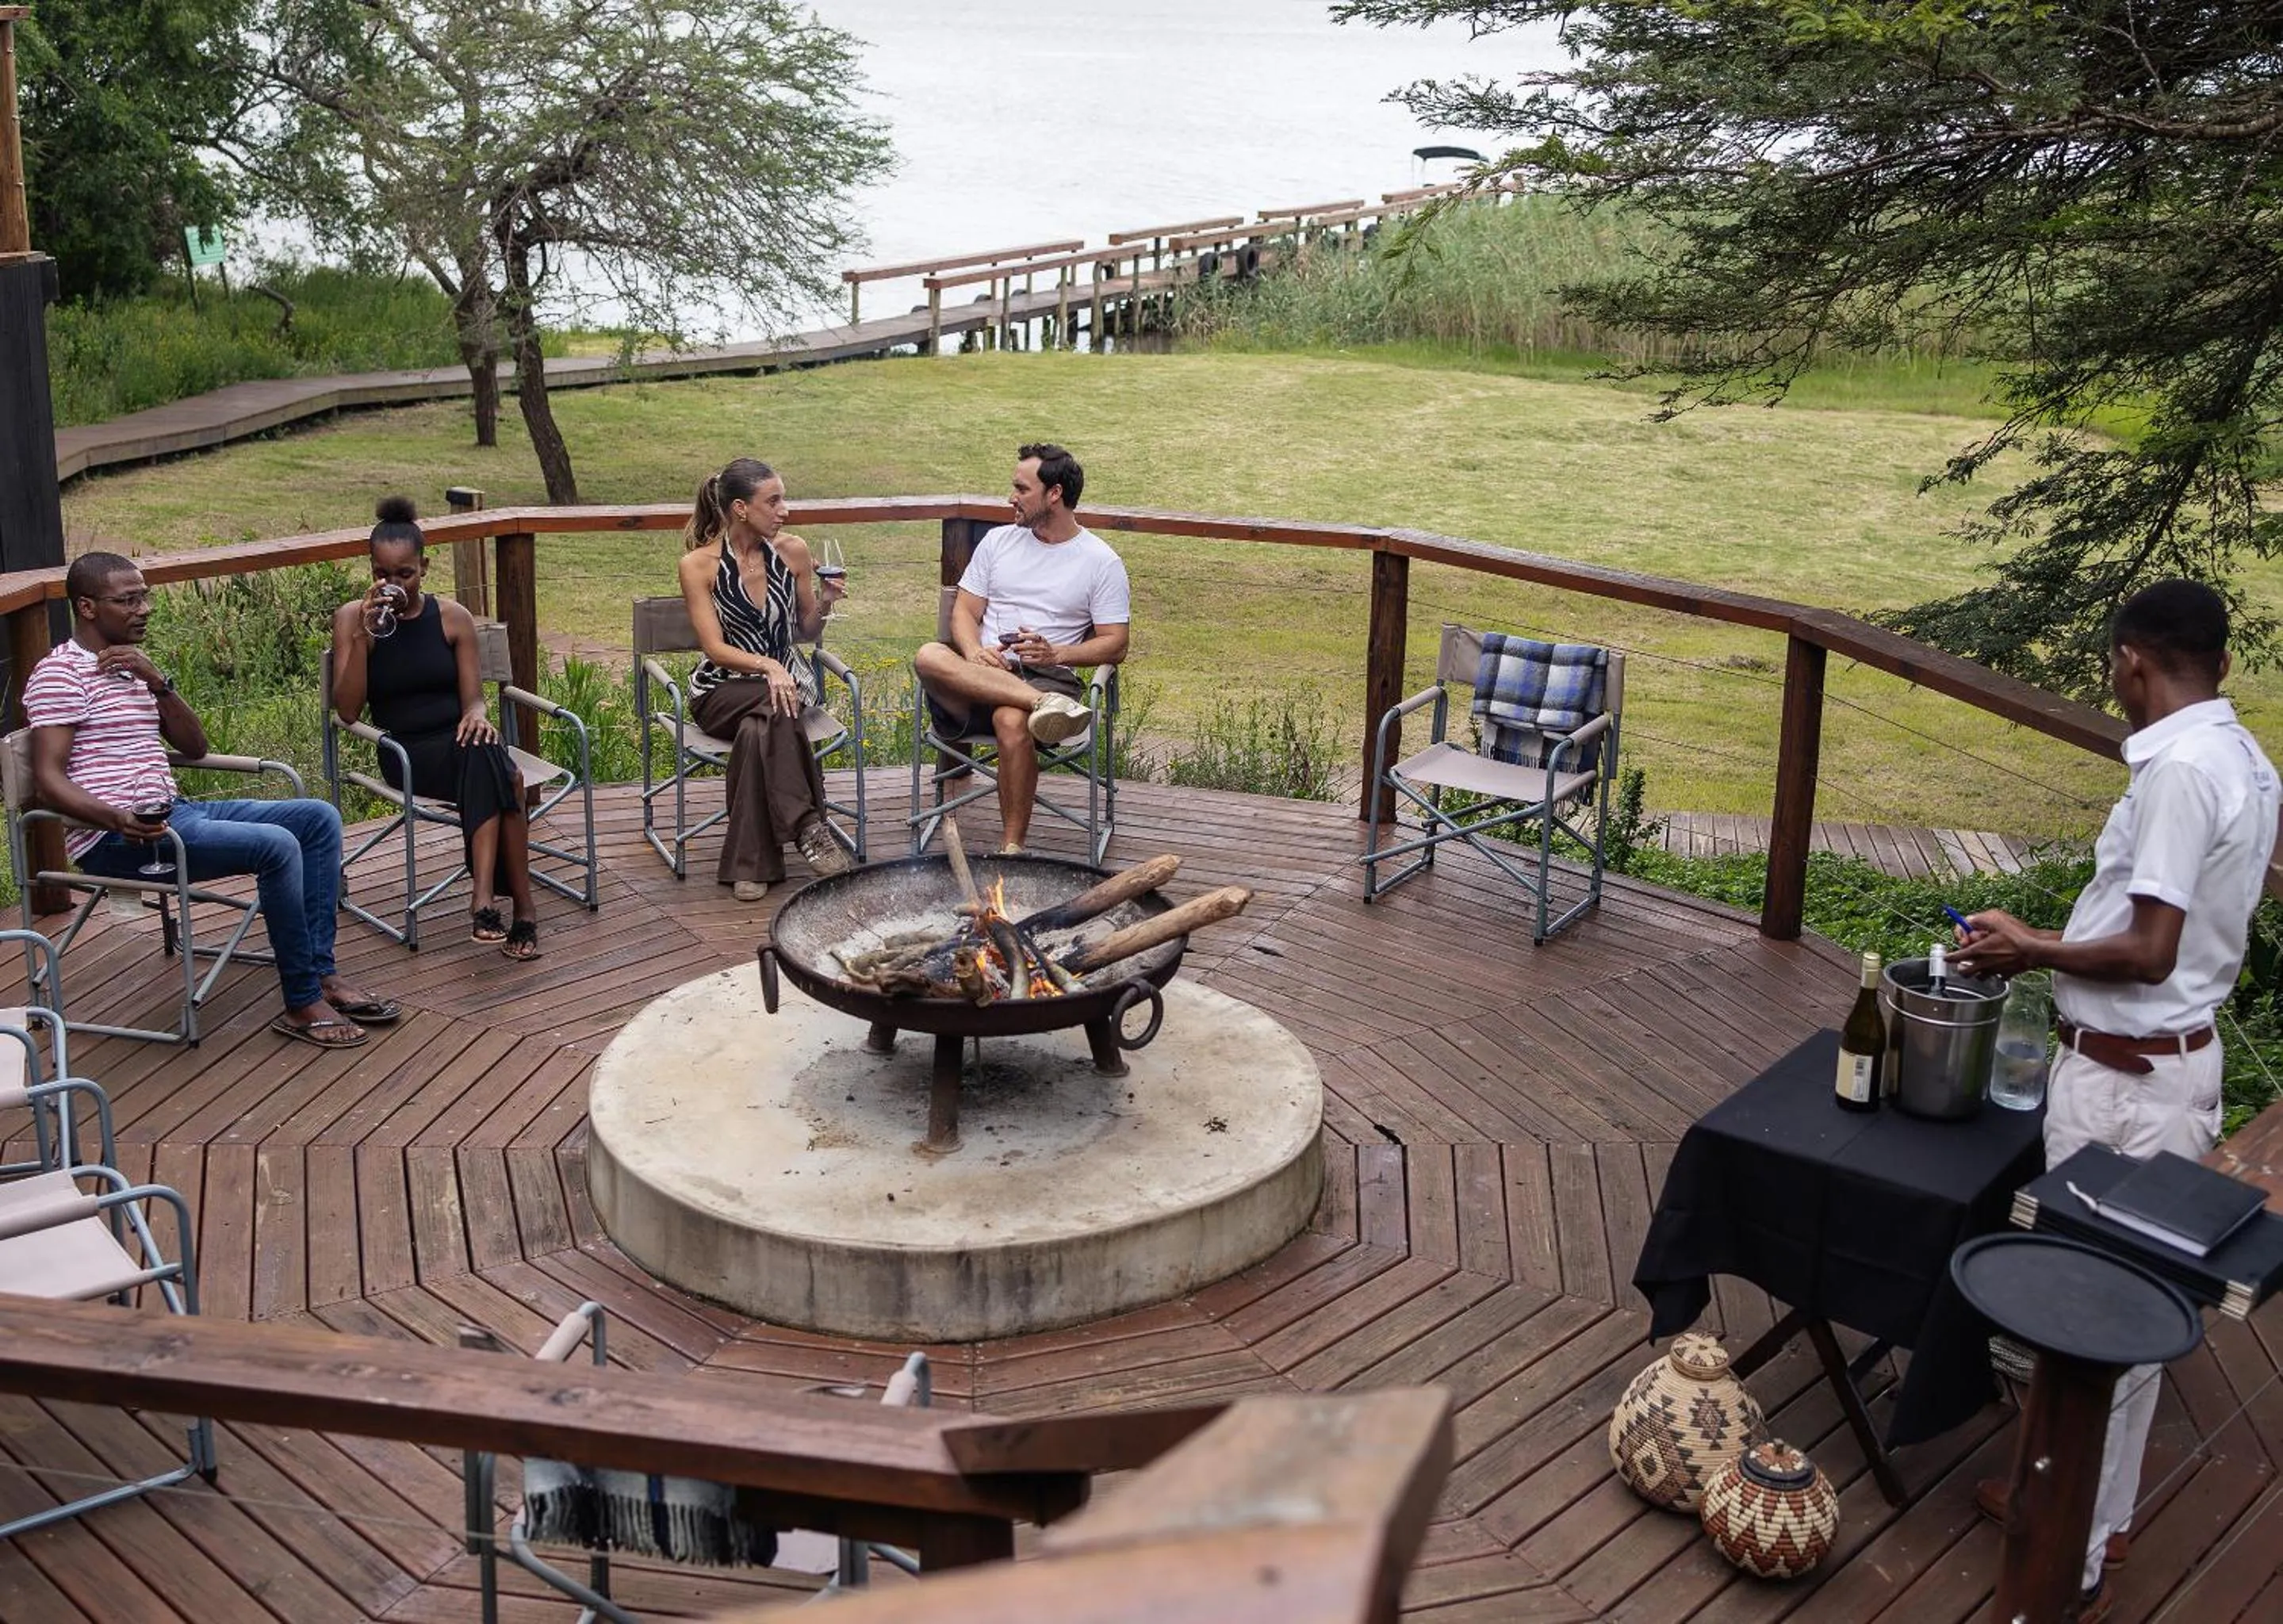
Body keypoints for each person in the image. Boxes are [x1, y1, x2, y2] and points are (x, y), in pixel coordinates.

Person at [1955, 579, 2279, 1624]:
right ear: (2217, 665)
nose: (2111, 682)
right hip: (2159, 1068)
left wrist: (2025, 947)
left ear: (2131, 662)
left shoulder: (2181, 770)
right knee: (2114, 1294)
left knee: (2092, 1301)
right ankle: (2087, 1497)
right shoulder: (2239, 756)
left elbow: (2150, 948)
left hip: (2127, 1082)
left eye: (2111, 668)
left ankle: (2070, 1552)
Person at [25, 552, 403, 1048]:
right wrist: (118, 819)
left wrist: (157, 681)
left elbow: (195, 747)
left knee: (318, 818)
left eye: (146, 597)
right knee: (276, 846)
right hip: (119, 838)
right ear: (88, 607)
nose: (144, 609)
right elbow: (49, 780)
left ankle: (322, 975)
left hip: (174, 816)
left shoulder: (132, 668)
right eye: (128, 600)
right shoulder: (61, 675)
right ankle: (301, 1000)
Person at [329, 497, 540, 960]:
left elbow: (474, 698)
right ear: (371, 569)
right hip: (404, 752)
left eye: (404, 574)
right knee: (507, 777)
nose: (392, 584)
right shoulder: (351, 619)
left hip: (460, 738)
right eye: (381, 574)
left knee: (487, 755)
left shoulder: (452, 617)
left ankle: (487, 900)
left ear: (424, 567)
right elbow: (346, 711)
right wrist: (365, 639)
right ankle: (515, 906)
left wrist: (478, 714)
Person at [913, 442, 1129, 853]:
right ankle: (1044, 704)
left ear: (1054, 495)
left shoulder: (1101, 562)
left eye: (1021, 489)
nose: (1011, 497)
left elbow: (1116, 643)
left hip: (1047, 673)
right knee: (928, 654)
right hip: (980, 673)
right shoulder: (998, 543)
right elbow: (964, 611)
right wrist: (974, 651)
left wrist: (1056, 654)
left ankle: (1012, 849)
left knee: (1012, 721)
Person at [677, 457, 852, 902]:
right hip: (721, 690)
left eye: (783, 499)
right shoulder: (699, 566)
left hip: (784, 691)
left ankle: (750, 863)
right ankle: (809, 824)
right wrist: (770, 667)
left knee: (760, 732)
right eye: (773, 501)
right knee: (775, 702)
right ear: (740, 508)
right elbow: (715, 649)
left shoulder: (792, 552)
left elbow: (808, 632)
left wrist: (827, 601)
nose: (784, 511)